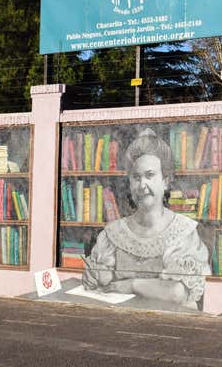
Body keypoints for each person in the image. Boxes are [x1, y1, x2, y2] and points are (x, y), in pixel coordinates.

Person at [82, 128, 211, 308]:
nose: (142, 185)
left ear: (165, 181)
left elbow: (176, 292)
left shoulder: (182, 232)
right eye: (136, 177)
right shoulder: (113, 233)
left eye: (150, 175)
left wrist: (131, 285)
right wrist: (97, 276)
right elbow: (99, 284)